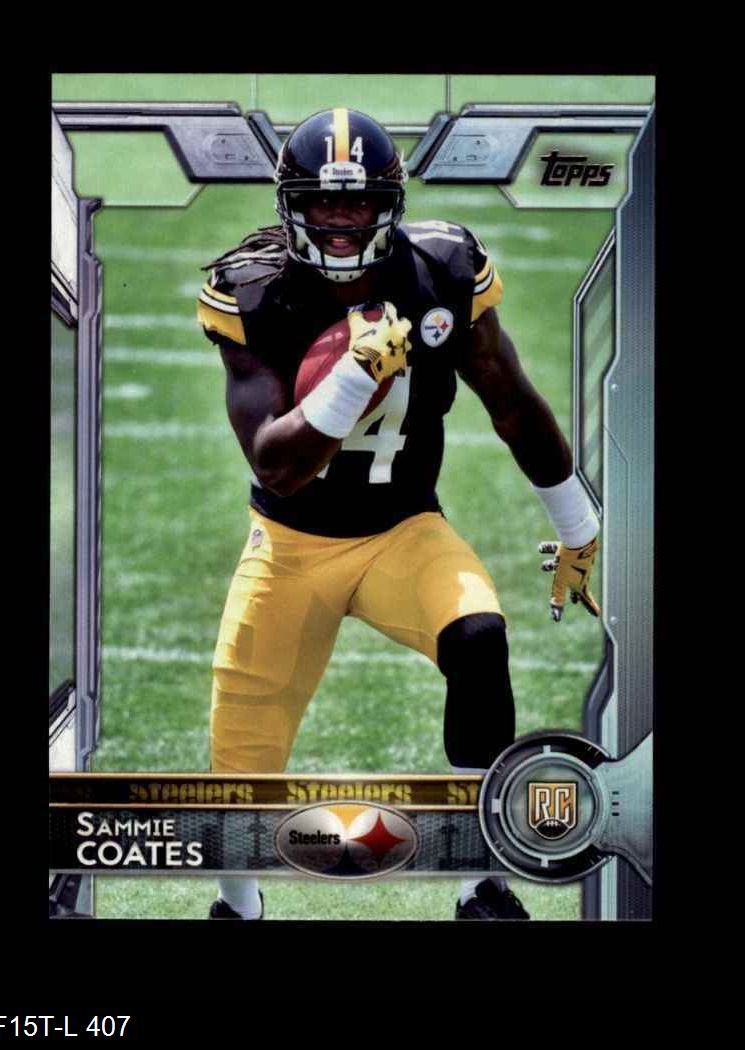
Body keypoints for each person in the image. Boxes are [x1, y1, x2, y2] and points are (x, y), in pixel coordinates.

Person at [196, 108, 600, 921]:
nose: (341, 221)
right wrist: (354, 375)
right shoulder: (255, 290)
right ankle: (238, 906)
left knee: (480, 638)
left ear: (392, 204)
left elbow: (511, 403)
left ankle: (480, 885)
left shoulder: (441, 271)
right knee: (243, 753)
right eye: (322, 202)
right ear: (290, 204)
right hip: (291, 544)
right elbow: (277, 466)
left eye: (359, 203)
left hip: (404, 529)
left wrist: (581, 527)